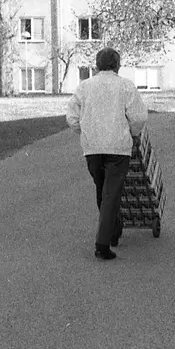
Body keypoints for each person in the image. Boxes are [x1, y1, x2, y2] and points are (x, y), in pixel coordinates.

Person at [66, 47, 148, 261]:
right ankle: (102, 243)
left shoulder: (84, 87)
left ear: (97, 65)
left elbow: (72, 118)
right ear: (117, 65)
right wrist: (133, 133)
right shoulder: (125, 86)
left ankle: (113, 230)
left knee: (103, 190)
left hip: (92, 148)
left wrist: (83, 133)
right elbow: (138, 116)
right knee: (111, 194)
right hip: (117, 148)